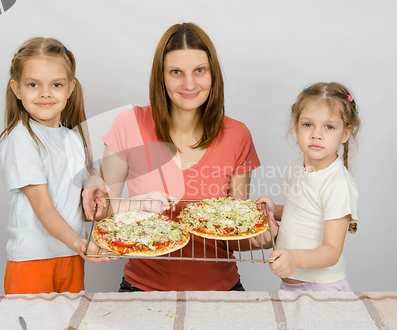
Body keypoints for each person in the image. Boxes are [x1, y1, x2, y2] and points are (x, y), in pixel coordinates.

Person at [82, 23, 267, 291]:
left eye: (199, 71)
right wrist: (93, 188)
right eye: (176, 72)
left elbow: (234, 234)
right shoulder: (129, 124)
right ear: (162, 77)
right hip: (141, 289)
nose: (189, 83)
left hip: (221, 291)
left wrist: (266, 236)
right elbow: (104, 211)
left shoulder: (237, 135)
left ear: (213, 74)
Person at [0, 37, 113, 295]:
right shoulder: (21, 139)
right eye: (33, 84)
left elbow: (74, 188)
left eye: (56, 84)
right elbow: (44, 207)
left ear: (70, 87)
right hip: (32, 260)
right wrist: (79, 243)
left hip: (70, 255)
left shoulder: (71, 138)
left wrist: (92, 184)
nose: (45, 93)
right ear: (17, 89)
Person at [257, 82, 360, 291]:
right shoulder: (296, 168)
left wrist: (295, 258)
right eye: (308, 124)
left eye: (329, 127)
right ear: (296, 126)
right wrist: (276, 211)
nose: (316, 134)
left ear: (345, 134)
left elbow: (332, 251)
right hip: (291, 285)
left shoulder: (337, 184)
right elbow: (304, 213)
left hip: (323, 288)